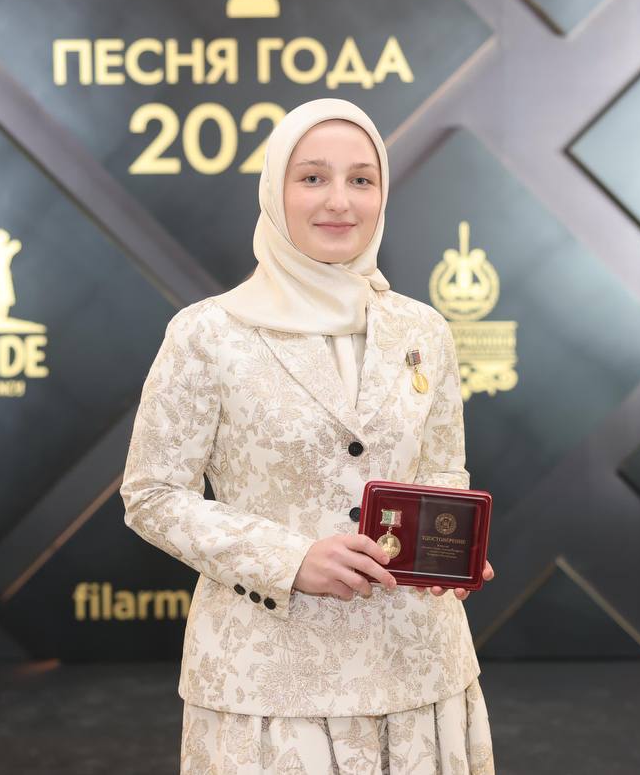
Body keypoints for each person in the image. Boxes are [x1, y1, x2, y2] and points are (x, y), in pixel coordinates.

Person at [120, 97, 495, 773]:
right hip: (268, 683)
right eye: (313, 177)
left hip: (418, 670)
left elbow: (443, 472)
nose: (339, 201)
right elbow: (152, 495)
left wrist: (453, 552)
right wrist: (290, 559)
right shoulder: (208, 333)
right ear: (275, 191)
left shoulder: (423, 330)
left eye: (361, 179)